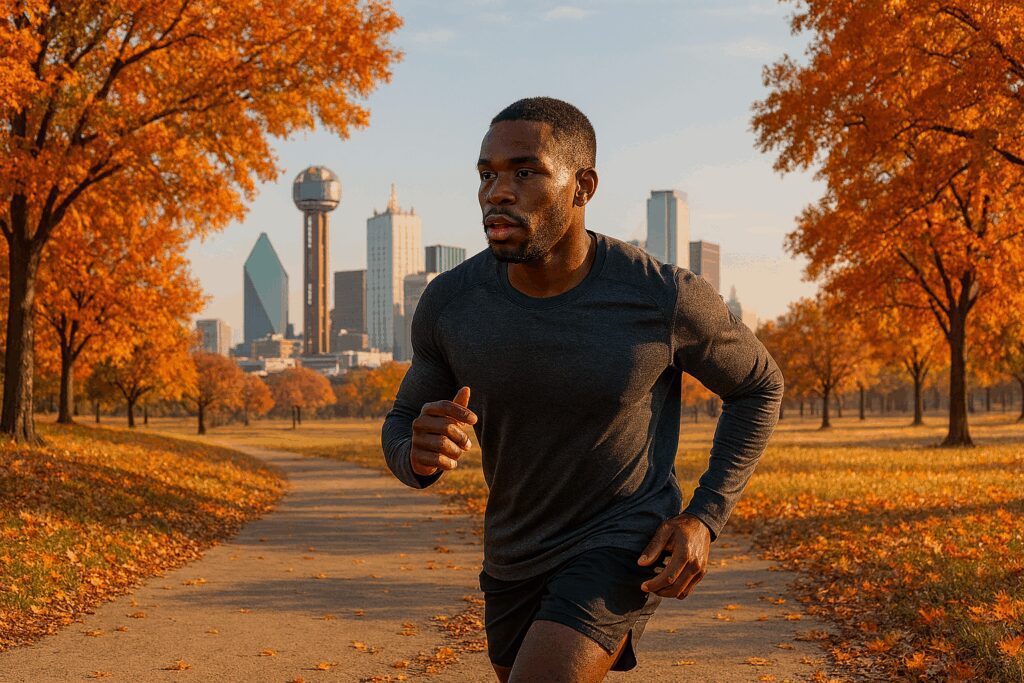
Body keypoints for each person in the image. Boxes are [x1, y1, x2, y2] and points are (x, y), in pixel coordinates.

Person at [381, 96, 784, 682]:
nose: (497, 192)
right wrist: (414, 452)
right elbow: (402, 419)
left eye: (525, 172)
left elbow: (758, 386)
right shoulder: (451, 302)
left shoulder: (660, 296)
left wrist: (705, 516)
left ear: (583, 185)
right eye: (487, 175)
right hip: (512, 553)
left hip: (622, 540)